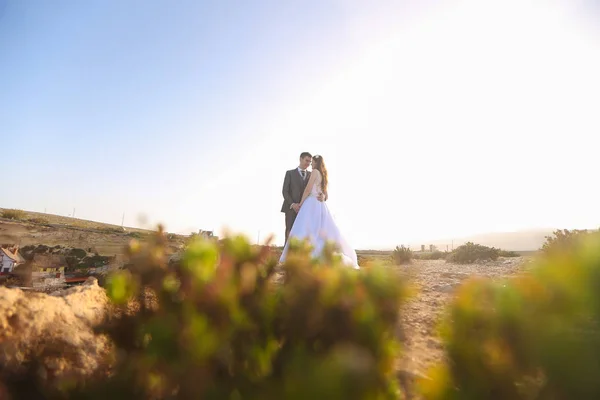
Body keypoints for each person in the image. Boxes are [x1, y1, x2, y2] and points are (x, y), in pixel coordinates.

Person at [279, 155, 359, 269]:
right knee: (316, 230)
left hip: (311, 203)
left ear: (316, 162)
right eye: (308, 161)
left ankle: (298, 257)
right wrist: (322, 195)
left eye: (312, 162)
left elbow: (308, 189)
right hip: (320, 206)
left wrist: (301, 203)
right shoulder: (323, 175)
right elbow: (325, 193)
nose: (310, 163)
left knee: (305, 229)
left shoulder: (315, 172)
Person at [281, 152, 325, 244]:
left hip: (307, 209)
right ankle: (287, 256)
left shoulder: (312, 173)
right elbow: (285, 191)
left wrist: (323, 196)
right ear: (300, 159)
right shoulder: (290, 173)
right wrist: (293, 205)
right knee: (290, 232)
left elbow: (320, 189)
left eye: (310, 161)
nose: (308, 163)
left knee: (304, 234)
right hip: (291, 209)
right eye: (306, 160)